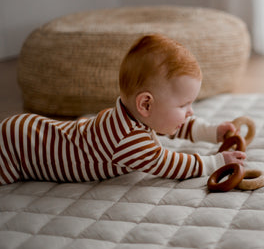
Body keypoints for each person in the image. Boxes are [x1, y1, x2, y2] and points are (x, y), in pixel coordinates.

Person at [0, 34, 246, 185]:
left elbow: (173, 125)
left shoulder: (135, 115)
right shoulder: (127, 139)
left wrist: (211, 132)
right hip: (21, 147)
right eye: (183, 105)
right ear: (146, 104)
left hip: (30, 130)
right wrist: (214, 163)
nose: (190, 111)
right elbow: (168, 163)